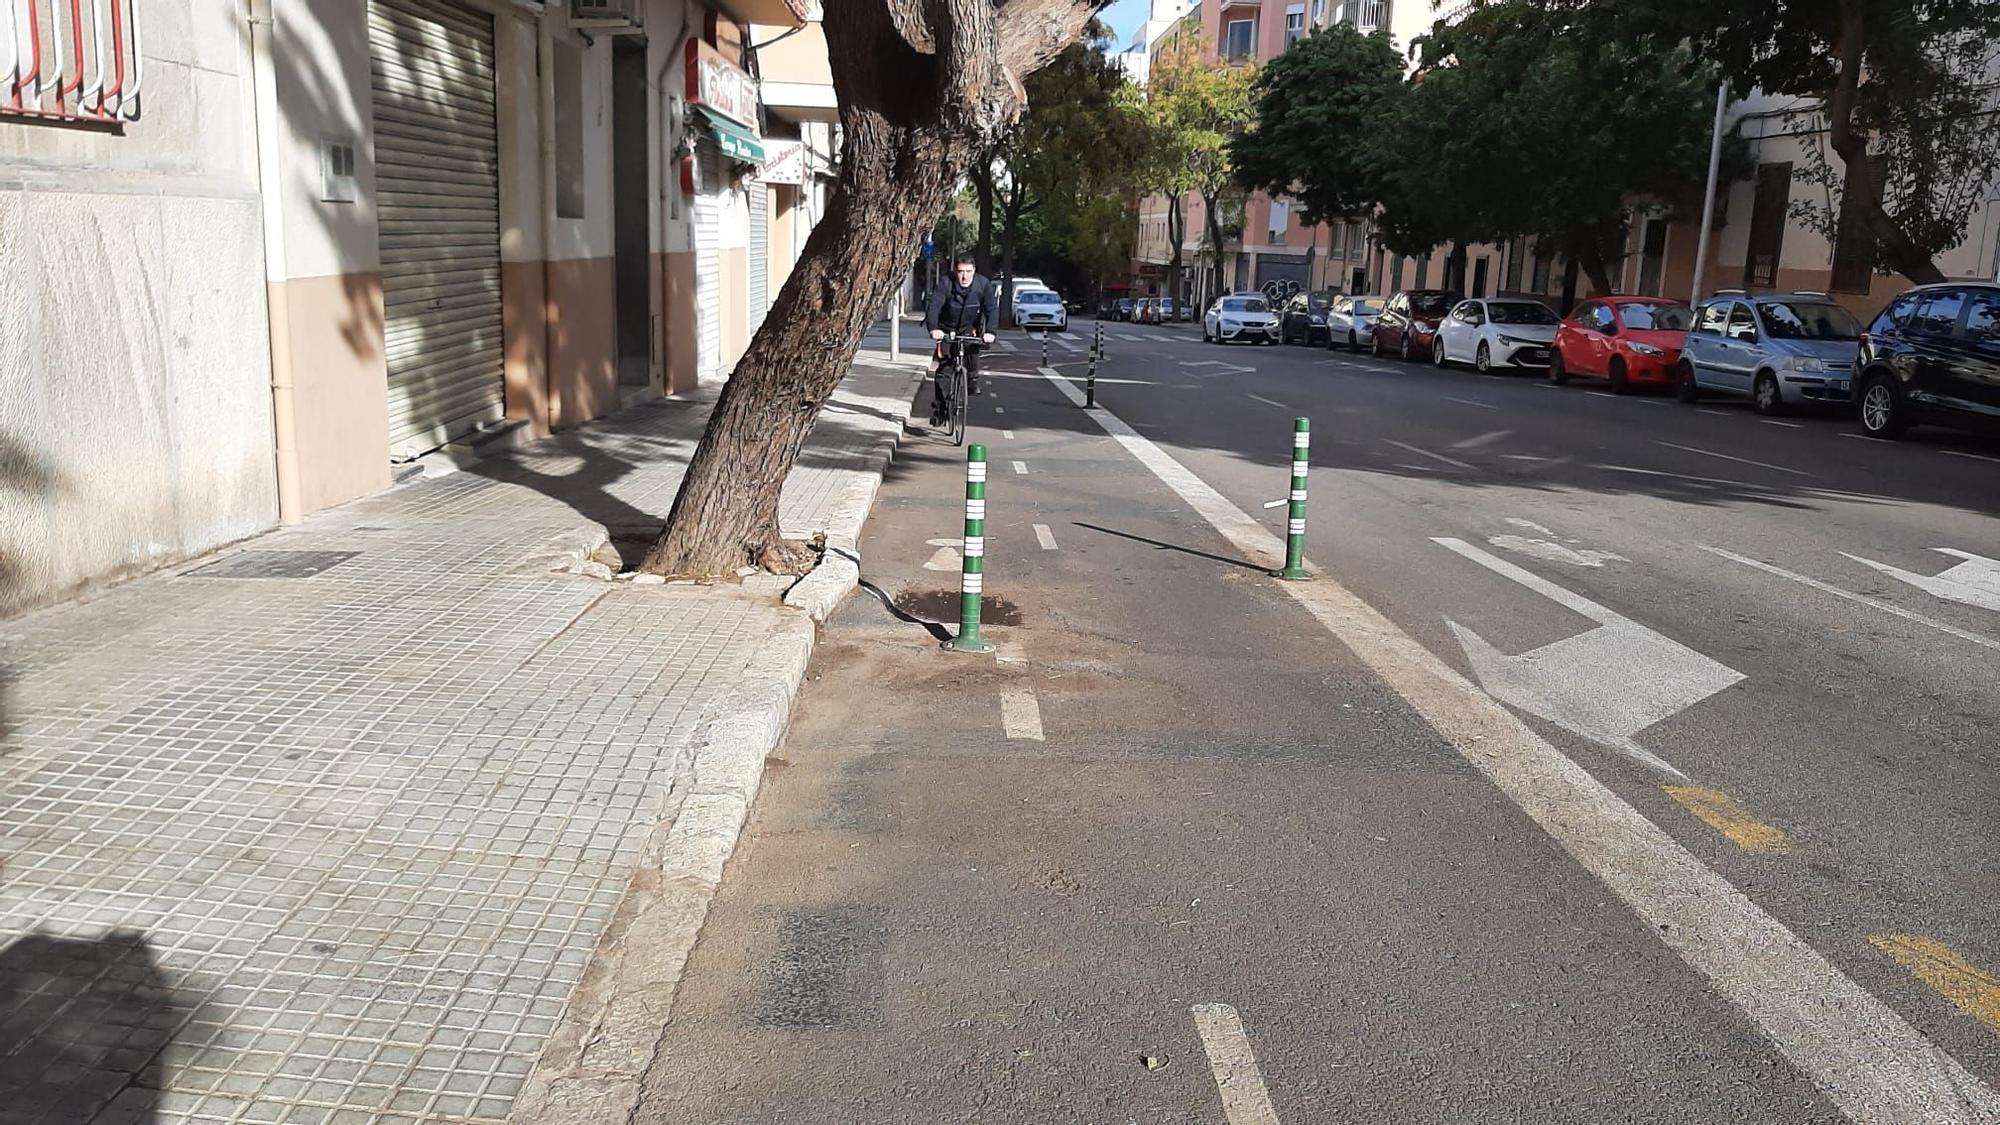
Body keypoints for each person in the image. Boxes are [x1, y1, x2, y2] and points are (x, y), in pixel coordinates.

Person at [924, 256, 998, 425]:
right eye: (960, 271)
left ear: (974, 271)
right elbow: (934, 307)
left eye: (968, 271)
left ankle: (971, 379)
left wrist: (991, 332)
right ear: (955, 271)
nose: (964, 276)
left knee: (972, 348)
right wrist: (934, 329)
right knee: (945, 369)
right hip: (946, 328)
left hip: (969, 326)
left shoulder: (982, 284)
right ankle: (941, 409)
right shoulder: (945, 283)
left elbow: (991, 309)